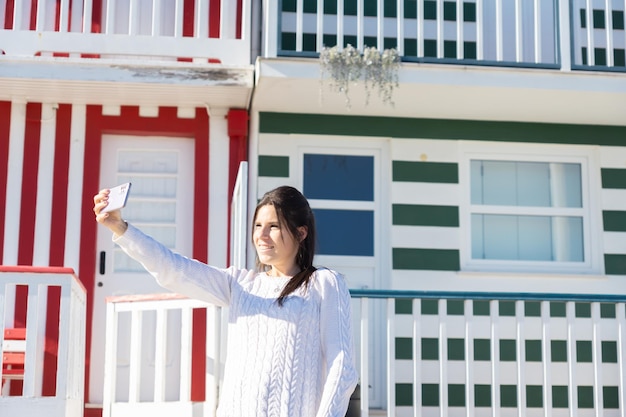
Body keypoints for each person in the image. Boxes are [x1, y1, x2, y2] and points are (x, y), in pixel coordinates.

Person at [93, 185, 358, 417]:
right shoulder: (241, 284)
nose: (262, 236)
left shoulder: (324, 283)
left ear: (301, 233)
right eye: (258, 226)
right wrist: (121, 228)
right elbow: (174, 269)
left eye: (274, 226)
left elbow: (341, 366)